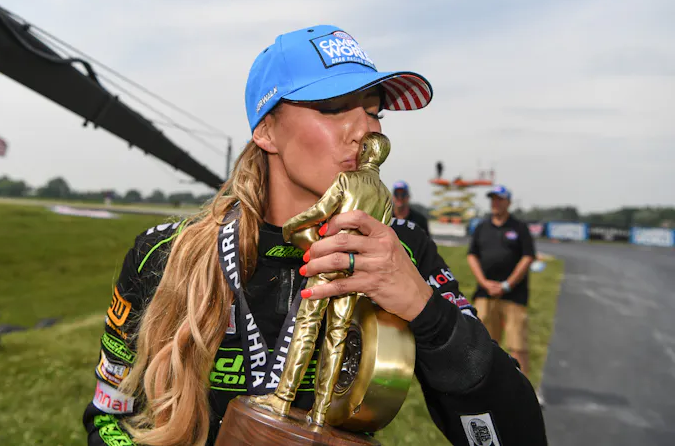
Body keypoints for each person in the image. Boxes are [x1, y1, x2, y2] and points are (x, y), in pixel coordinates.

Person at [82, 25, 546, 446]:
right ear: (267, 131)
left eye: (374, 112)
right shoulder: (164, 253)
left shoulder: (400, 250)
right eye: (334, 108)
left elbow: (515, 435)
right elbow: (109, 419)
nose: (366, 130)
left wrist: (428, 313)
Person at [466, 185, 536, 383]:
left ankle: (523, 390)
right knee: (484, 344)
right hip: (485, 294)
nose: (495, 203)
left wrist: (507, 285)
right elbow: (472, 255)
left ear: (508, 202)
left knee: (517, 345)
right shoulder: (482, 227)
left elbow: (527, 257)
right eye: (493, 199)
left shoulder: (519, 228)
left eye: (499, 199)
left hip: (514, 295)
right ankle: (485, 386)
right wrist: (484, 282)